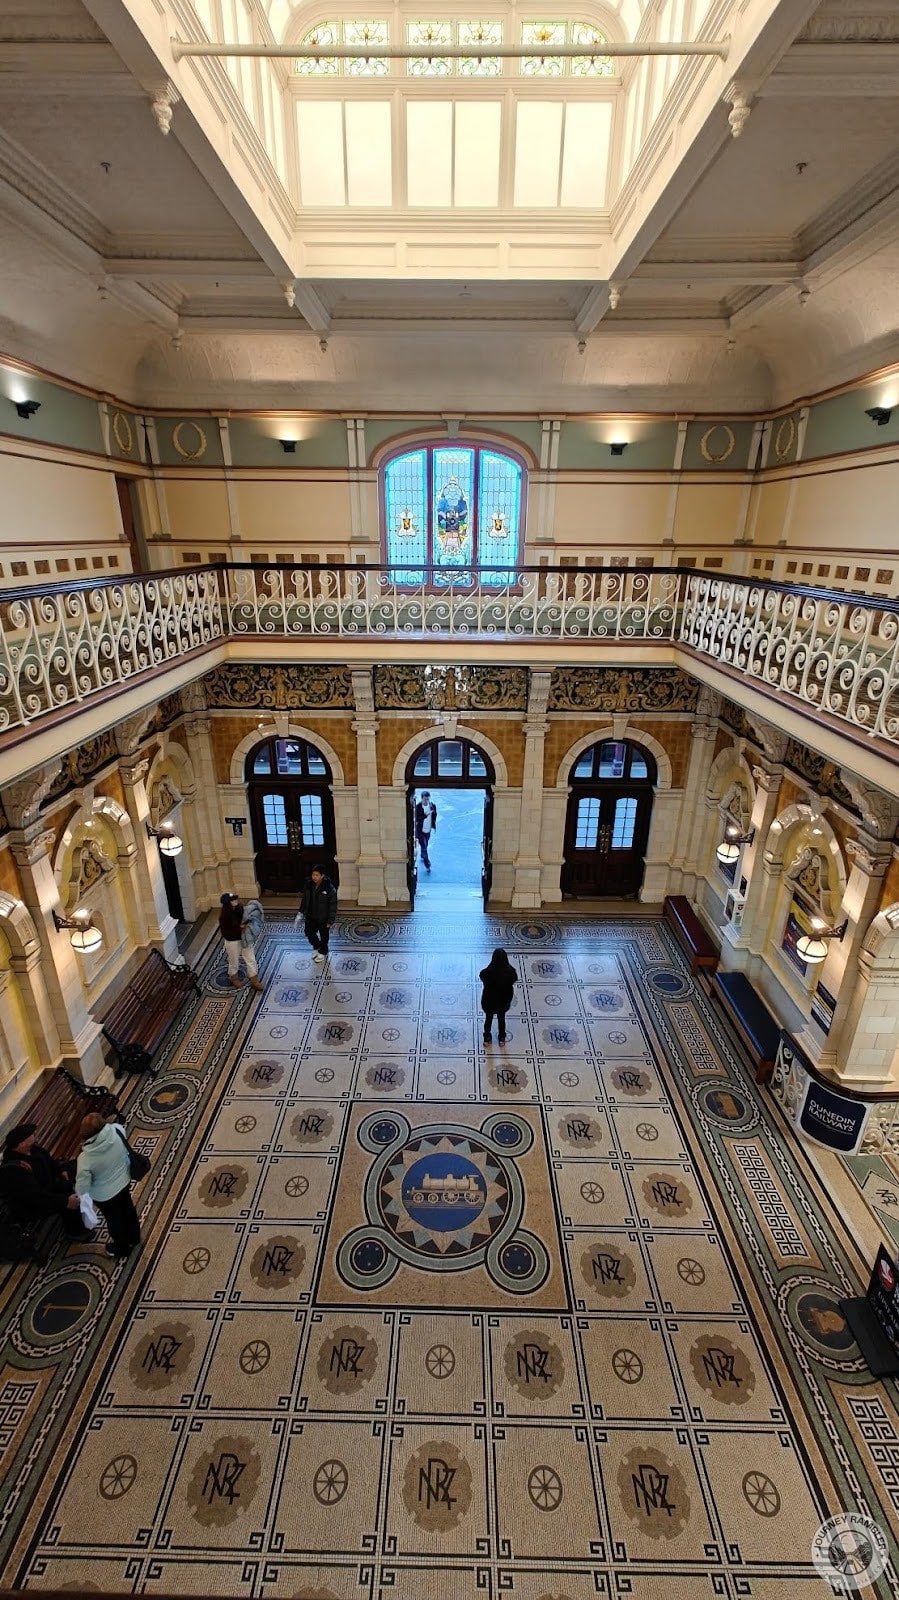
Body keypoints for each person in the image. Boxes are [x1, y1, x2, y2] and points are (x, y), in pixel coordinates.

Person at [0, 1122, 92, 1241]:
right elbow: (35, 1196)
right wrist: (65, 1201)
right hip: (34, 1204)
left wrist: (61, 1170)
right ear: (22, 1143)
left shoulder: (34, 1149)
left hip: (48, 1184)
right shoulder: (15, 1170)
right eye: (32, 1135)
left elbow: (50, 1161)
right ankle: (75, 1232)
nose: (35, 1136)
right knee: (67, 1199)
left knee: (76, 1167)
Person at [75, 1112, 141, 1259]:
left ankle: (121, 1247)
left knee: (114, 1220)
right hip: (124, 1180)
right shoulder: (117, 1130)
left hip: (105, 1195)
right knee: (128, 1209)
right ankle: (134, 1236)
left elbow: (83, 1187)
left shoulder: (85, 1159)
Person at [219, 891, 263, 991]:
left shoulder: (240, 909)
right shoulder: (224, 917)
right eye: (233, 900)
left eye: (235, 899)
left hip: (245, 939)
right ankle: (233, 977)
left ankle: (254, 980)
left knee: (251, 958)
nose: (236, 901)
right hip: (233, 941)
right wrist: (240, 928)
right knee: (233, 960)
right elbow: (226, 932)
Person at [479, 948, 518, 1045]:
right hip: (503, 1000)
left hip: (489, 1000)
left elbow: (482, 975)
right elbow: (514, 979)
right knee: (501, 1019)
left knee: (488, 1019)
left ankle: (487, 1037)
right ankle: (501, 1038)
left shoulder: (488, 972)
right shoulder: (510, 971)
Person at [299, 865, 338, 963]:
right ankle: (317, 946)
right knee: (309, 932)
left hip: (323, 917)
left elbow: (333, 906)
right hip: (311, 915)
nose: (314, 877)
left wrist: (330, 920)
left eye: (317, 875)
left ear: (322, 876)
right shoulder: (309, 885)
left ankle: (323, 951)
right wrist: (301, 912)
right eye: (313, 875)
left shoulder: (329, 888)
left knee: (324, 936)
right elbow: (305, 900)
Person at [414, 791, 438, 871]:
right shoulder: (418, 807)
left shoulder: (432, 805)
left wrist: (433, 815)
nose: (426, 801)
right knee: (424, 847)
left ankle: (422, 855)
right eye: (425, 799)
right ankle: (427, 865)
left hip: (428, 830)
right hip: (421, 831)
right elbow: (417, 818)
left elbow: (434, 815)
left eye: (427, 799)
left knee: (425, 844)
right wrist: (426, 815)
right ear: (422, 799)